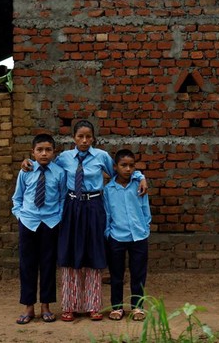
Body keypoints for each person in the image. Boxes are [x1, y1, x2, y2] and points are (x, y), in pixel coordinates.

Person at [21, 120, 147, 322]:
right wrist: (27, 162)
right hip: (71, 208)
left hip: (94, 206)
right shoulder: (64, 158)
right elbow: (45, 165)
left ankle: (92, 304)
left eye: (88, 136)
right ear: (73, 138)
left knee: (93, 253)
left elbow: (120, 172)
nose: (84, 140)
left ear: (94, 138)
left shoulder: (101, 156)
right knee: (69, 254)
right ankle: (69, 305)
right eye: (80, 136)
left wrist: (140, 176)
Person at [11, 133, 67, 324]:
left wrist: (58, 218)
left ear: (54, 152)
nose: (44, 154)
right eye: (40, 150)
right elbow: (17, 198)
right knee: (27, 265)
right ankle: (28, 307)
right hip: (28, 222)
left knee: (48, 264)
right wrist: (20, 216)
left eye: (48, 150)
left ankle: (46, 306)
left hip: (50, 223)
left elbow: (62, 198)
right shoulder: (26, 171)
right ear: (32, 152)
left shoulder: (59, 173)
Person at [104, 149, 151, 322]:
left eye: (132, 165)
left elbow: (145, 209)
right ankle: (117, 307)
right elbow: (107, 214)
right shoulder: (109, 190)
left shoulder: (139, 185)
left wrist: (145, 228)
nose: (128, 169)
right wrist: (109, 234)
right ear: (115, 167)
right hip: (117, 237)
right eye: (124, 165)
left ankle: (137, 307)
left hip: (139, 236)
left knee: (138, 274)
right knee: (116, 275)